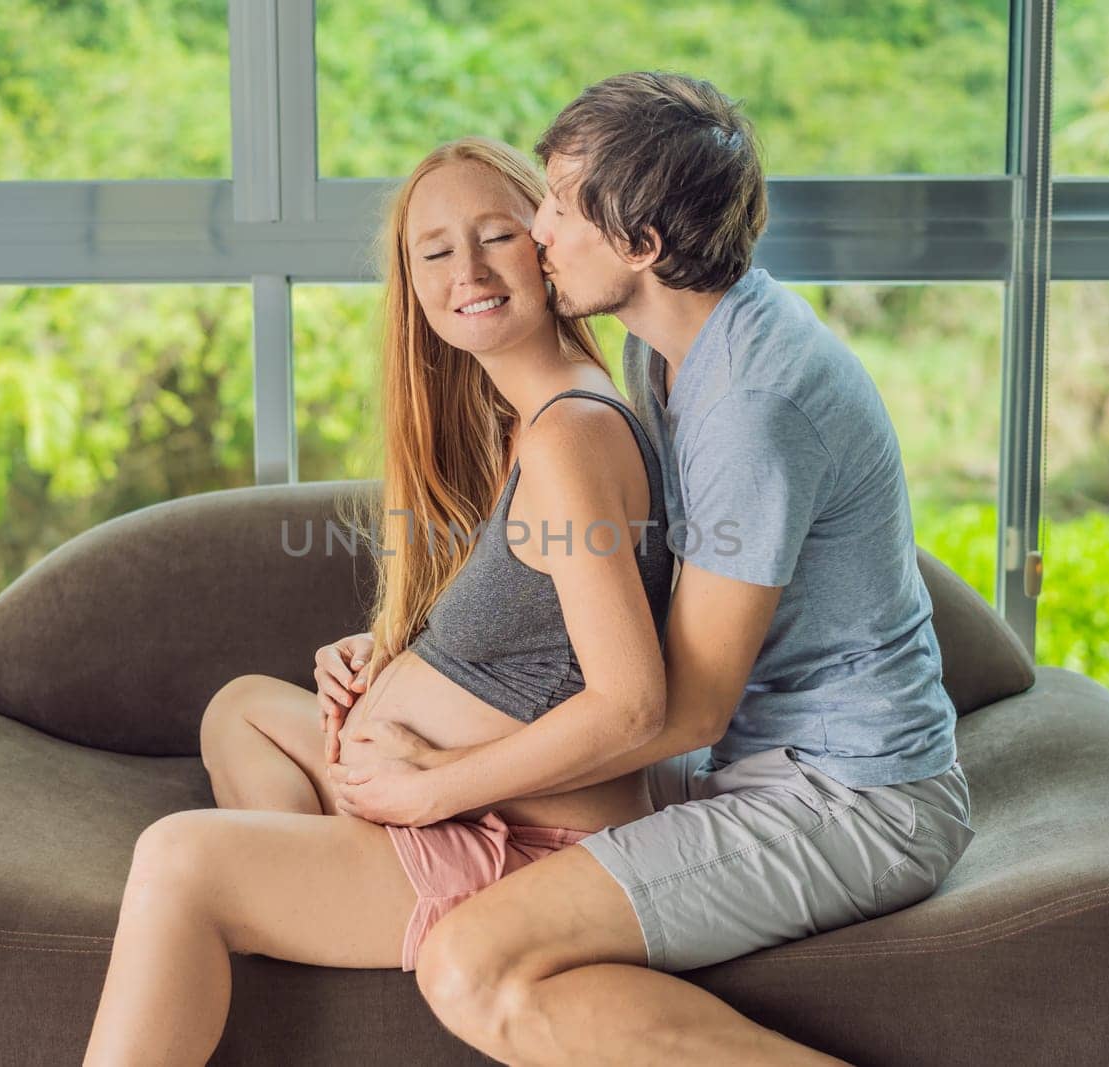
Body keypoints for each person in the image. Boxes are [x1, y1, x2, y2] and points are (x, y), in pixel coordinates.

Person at [324, 72, 976, 1066]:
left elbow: (674, 711)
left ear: (641, 247)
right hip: (750, 756)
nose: (535, 231)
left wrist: (435, 784)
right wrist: (413, 665)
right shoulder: (665, 353)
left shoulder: (754, 406)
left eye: (556, 208)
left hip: (849, 797)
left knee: (468, 961)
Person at [80, 136, 677, 1065]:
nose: (467, 270)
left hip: (526, 842)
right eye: (434, 252)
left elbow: (632, 704)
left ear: (550, 247)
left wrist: (424, 785)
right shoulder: (533, 422)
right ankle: (305, 903)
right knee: (242, 707)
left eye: (497, 236)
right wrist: (393, 660)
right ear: (411, 285)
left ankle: (282, 900)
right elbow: (535, 630)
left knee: (180, 858)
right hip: (457, 808)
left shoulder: (572, 437)